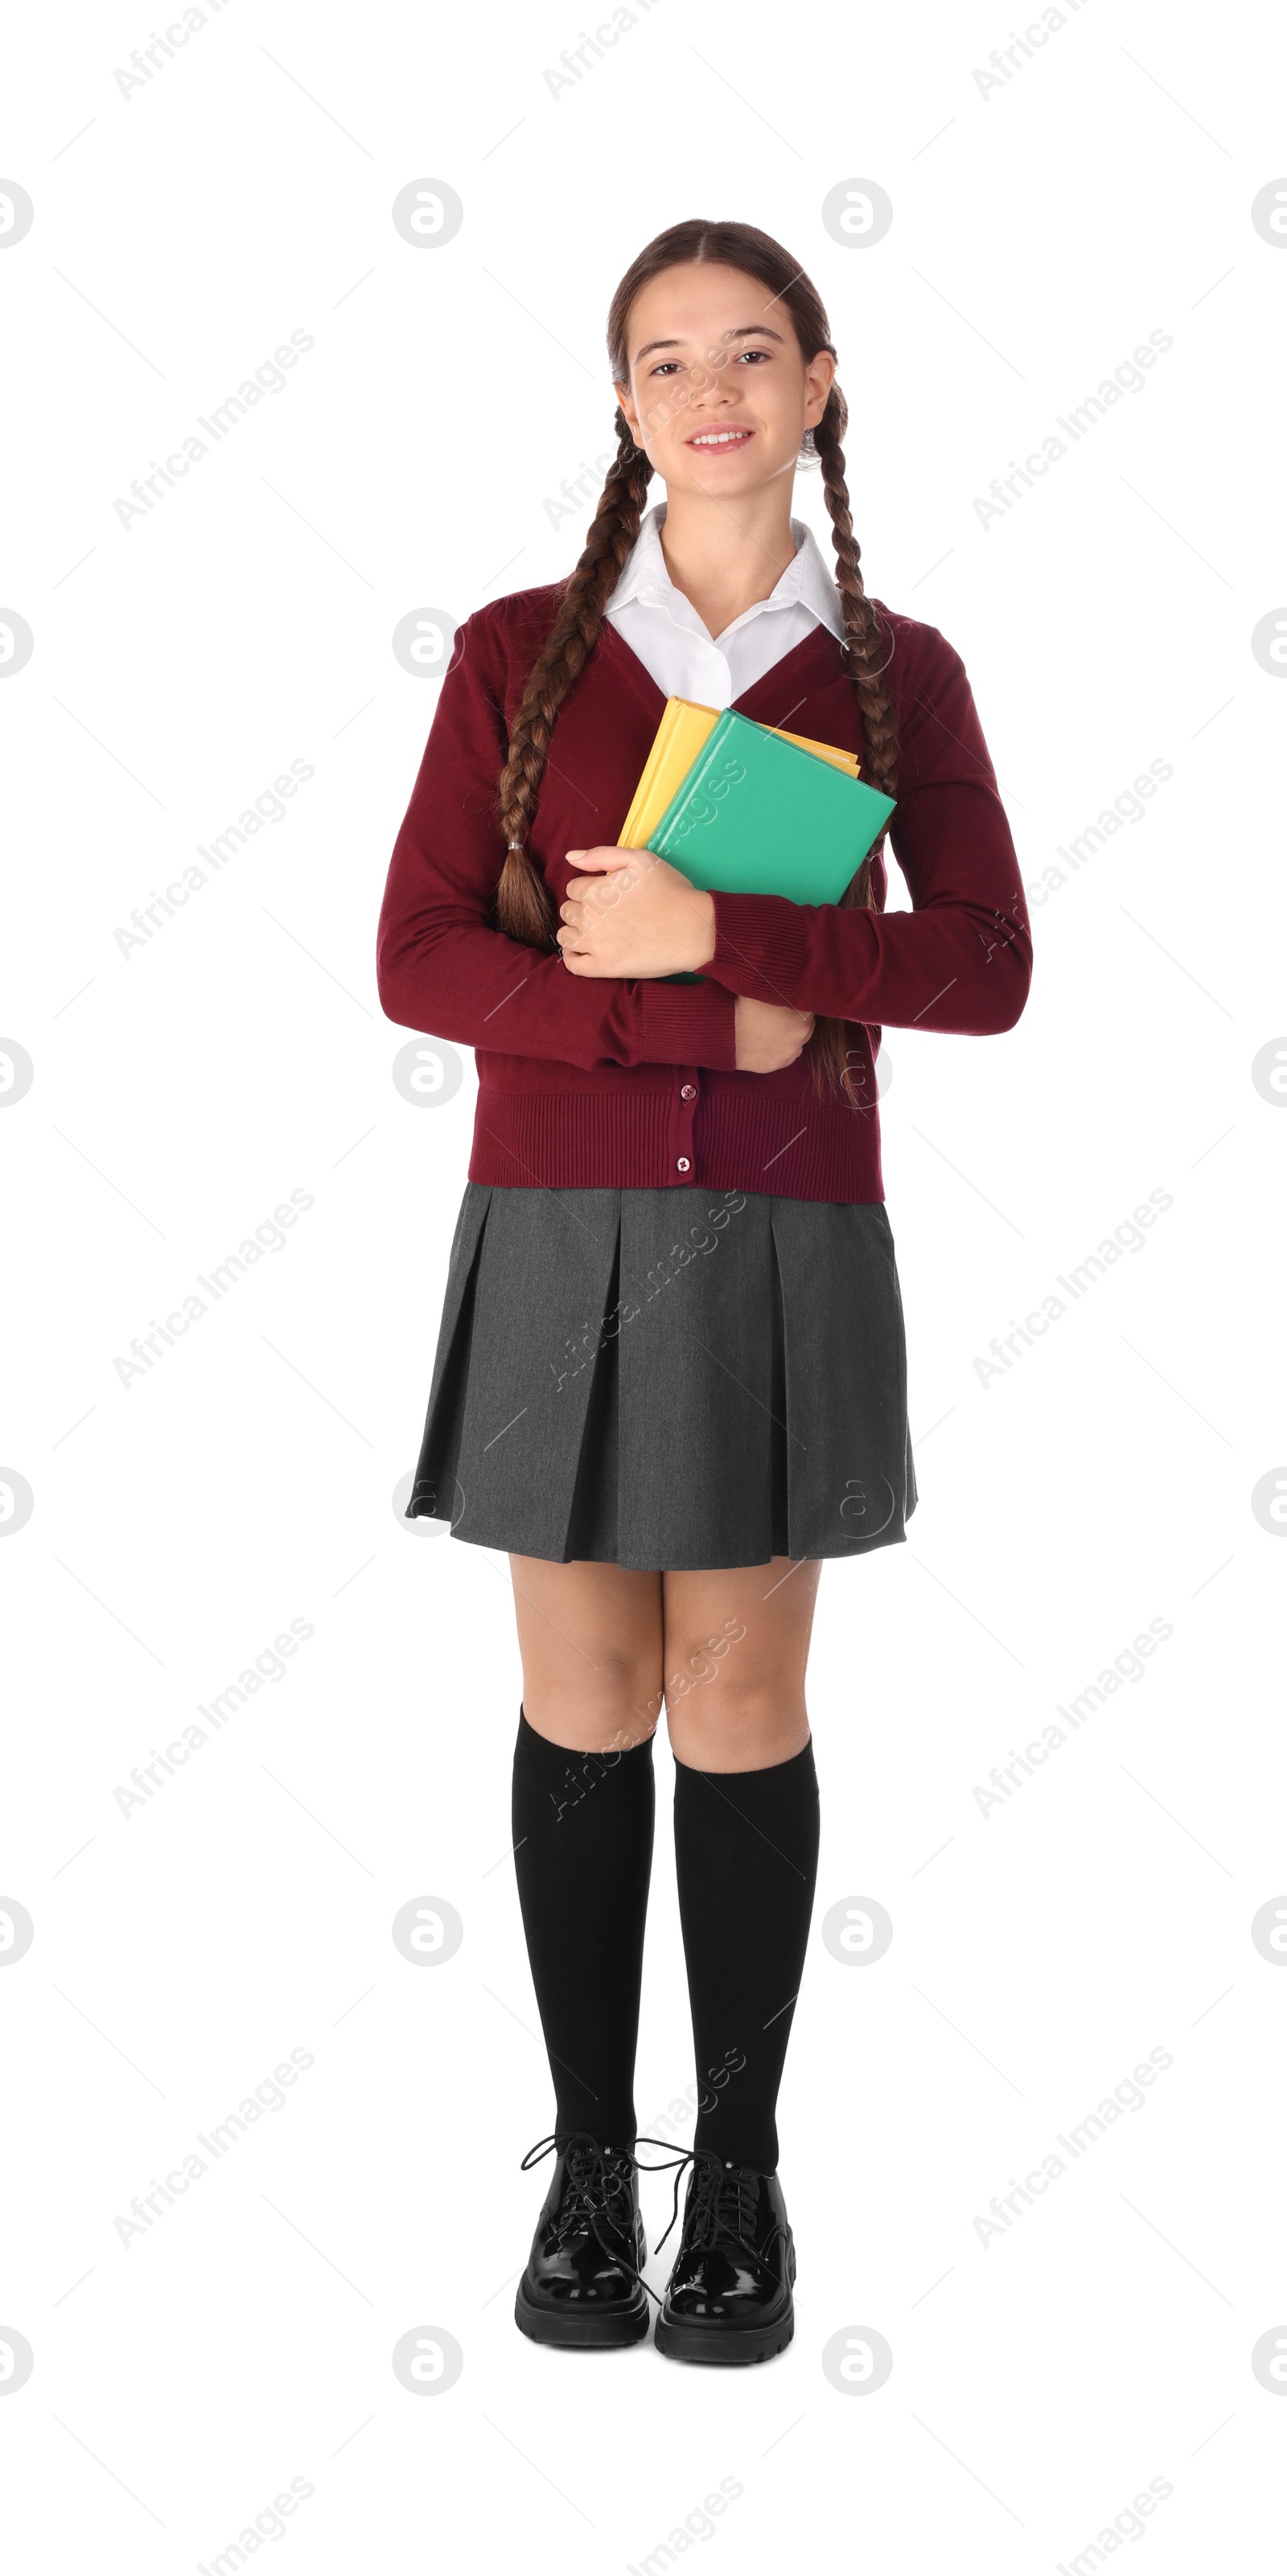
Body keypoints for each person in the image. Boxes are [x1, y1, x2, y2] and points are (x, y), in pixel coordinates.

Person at [376, 216, 1032, 2366]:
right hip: (560, 1221)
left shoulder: (896, 668)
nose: (712, 390)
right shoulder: (516, 649)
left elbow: (989, 967)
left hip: (782, 1230)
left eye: (755, 351)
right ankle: (586, 2162)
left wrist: (744, 948)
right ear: (625, 403)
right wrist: (671, 1021)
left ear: (821, 381)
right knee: (586, 1701)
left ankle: (736, 2173)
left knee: (740, 1705)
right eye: (667, 360)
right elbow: (418, 958)